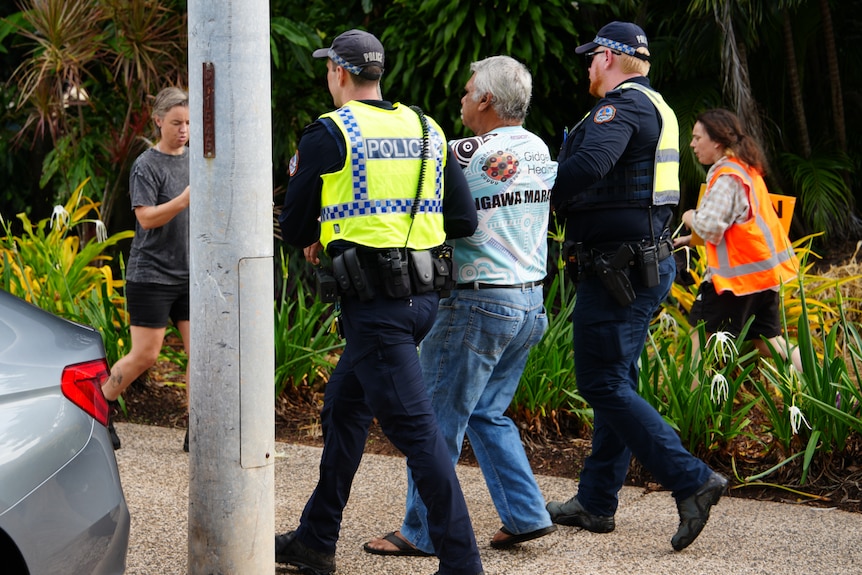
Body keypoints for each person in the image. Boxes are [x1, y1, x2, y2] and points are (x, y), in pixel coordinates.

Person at [275, 29, 484, 575]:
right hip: (420, 302)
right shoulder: (426, 128)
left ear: (338, 73)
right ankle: (316, 540)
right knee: (344, 407)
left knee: (420, 438)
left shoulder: (329, 132)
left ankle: (463, 564)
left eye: (328, 70)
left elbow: (294, 224)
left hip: (375, 311)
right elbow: (462, 219)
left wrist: (329, 231)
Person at [363, 55, 558, 558]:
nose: (463, 100)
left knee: (435, 422)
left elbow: (418, 202)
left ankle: (421, 532)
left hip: (478, 303)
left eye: (468, 92)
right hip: (530, 302)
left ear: (487, 100)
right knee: (490, 413)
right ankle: (525, 514)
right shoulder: (537, 147)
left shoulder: (463, 152)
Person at [545, 21, 728, 552]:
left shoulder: (619, 107)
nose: (587, 68)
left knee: (601, 382)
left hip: (618, 270)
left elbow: (592, 164)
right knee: (615, 381)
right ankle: (597, 501)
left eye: (590, 58)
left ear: (607, 57)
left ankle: (692, 479)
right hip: (638, 265)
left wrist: (533, 180)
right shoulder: (659, 106)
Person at [677, 108, 801, 380]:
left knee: (701, 338)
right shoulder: (746, 170)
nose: (692, 144)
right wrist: (690, 238)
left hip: (733, 284)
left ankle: (693, 415)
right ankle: (828, 386)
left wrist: (689, 217)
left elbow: (710, 226)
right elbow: (736, 223)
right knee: (770, 342)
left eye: (698, 138)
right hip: (761, 278)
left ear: (717, 142)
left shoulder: (726, 177)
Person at [102, 86, 191, 452]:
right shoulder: (146, 166)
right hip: (151, 275)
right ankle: (99, 406)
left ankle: (197, 427)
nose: (183, 129)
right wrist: (184, 199)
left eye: (188, 122)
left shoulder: (197, 159)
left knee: (201, 355)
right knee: (146, 356)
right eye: (175, 122)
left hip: (190, 276)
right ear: (158, 121)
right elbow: (146, 219)